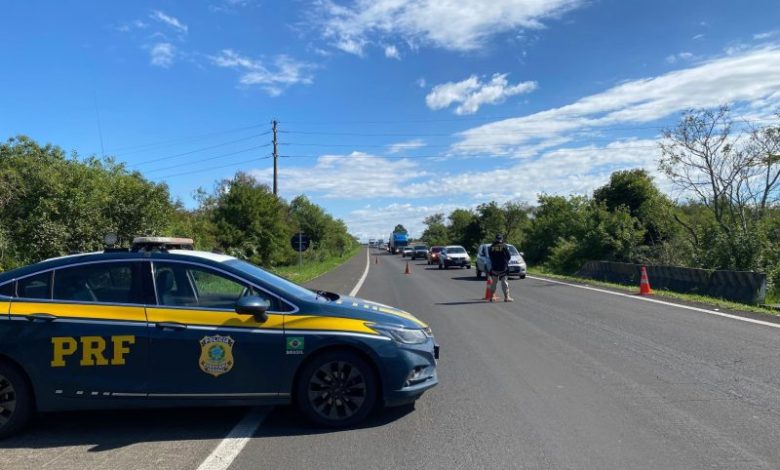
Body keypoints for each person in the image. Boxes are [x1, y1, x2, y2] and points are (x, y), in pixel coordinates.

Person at [488, 234, 513, 302]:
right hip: (503, 268)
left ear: (495, 239)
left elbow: (490, 257)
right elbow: (509, 257)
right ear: (501, 239)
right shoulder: (504, 246)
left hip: (494, 267)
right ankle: (506, 297)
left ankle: (492, 296)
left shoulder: (491, 247)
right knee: (504, 282)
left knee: (494, 282)